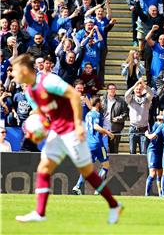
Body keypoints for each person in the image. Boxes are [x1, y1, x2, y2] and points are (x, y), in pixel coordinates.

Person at [12, 54, 122, 224]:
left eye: (15, 71)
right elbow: (44, 114)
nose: (12, 74)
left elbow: (73, 96)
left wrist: (78, 124)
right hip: (57, 131)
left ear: (25, 70)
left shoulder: (48, 81)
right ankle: (40, 213)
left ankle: (114, 205)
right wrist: (35, 128)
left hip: (71, 129)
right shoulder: (30, 92)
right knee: (44, 167)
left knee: (87, 173)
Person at [72, 97, 115, 195]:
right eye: (101, 102)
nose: (102, 104)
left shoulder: (88, 114)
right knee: (106, 165)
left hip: (88, 144)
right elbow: (96, 127)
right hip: (97, 144)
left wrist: (101, 132)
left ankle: (77, 186)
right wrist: (108, 133)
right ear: (98, 103)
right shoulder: (96, 114)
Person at [125, 78, 153, 155]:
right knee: (132, 152)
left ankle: (143, 167)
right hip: (133, 128)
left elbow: (151, 93)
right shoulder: (131, 99)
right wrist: (134, 85)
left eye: (140, 89)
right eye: (137, 89)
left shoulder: (147, 99)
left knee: (144, 152)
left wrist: (144, 85)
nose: (138, 90)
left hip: (144, 129)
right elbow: (126, 94)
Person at [101, 83, 127, 154]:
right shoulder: (101, 100)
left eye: (114, 89)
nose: (112, 90)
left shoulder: (121, 101)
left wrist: (118, 119)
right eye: (111, 89)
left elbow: (125, 114)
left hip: (115, 130)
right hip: (103, 130)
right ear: (107, 90)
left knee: (114, 151)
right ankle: (104, 164)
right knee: (103, 151)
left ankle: (114, 165)